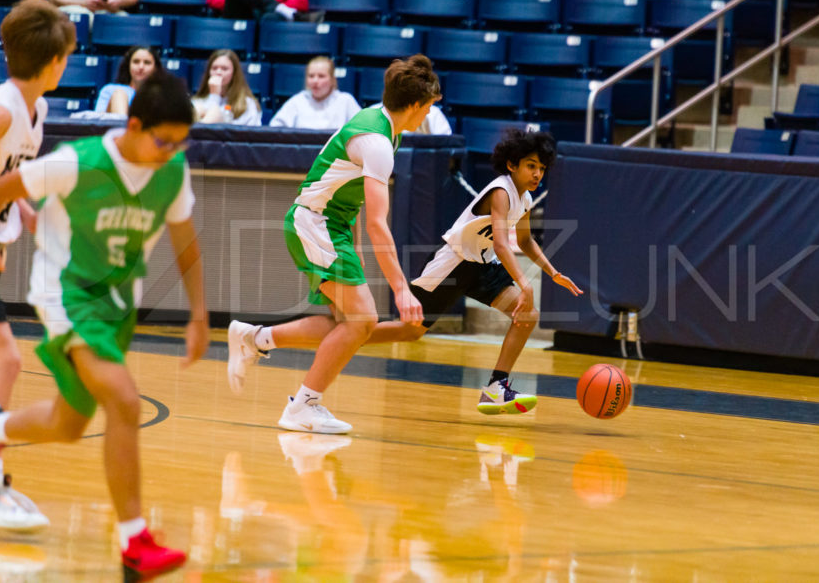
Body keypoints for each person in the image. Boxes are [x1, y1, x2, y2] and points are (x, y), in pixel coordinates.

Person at [0, 71, 207, 580]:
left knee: (67, 425)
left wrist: (199, 315)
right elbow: (2, 186)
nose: (172, 151)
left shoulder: (172, 172)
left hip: (116, 306)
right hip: (65, 293)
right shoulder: (78, 162)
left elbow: (185, 242)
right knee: (124, 401)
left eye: (181, 143)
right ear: (134, 125)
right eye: (164, 141)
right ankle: (135, 541)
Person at [229, 128, 582, 415]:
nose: (537, 174)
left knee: (526, 315)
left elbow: (525, 241)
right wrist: (525, 281)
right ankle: (286, 337)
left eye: (542, 169)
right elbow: (504, 244)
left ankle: (495, 387)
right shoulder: (502, 191)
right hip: (454, 265)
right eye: (531, 166)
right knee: (406, 332)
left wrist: (552, 273)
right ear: (512, 164)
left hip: (481, 266)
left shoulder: (525, 197)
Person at [227, 55, 441, 433]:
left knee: (346, 323)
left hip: (332, 223)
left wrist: (353, 249)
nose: (428, 113)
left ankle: (254, 338)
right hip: (315, 223)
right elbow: (378, 222)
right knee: (363, 320)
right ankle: (302, 406)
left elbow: (349, 194)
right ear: (413, 105)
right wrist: (401, 289)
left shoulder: (383, 121)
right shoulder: (376, 142)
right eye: (428, 106)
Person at [0, 0, 75, 533]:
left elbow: (6, 175)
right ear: (53, 63)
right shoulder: (0, 110)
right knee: (8, 358)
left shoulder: (35, 110)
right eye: (65, 56)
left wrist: (29, 213)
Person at [270, 56, 361, 130]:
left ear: (332, 80)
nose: (315, 81)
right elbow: (275, 128)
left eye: (321, 76)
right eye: (311, 76)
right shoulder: (298, 100)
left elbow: (362, 130)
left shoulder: (345, 100)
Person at [191, 49, 262, 126]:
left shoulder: (247, 104)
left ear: (234, 73)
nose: (218, 72)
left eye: (224, 69)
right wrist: (214, 96)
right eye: (214, 68)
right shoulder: (197, 102)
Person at [93, 45, 159, 115]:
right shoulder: (109, 90)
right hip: (115, 124)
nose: (141, 67)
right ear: (128, 65)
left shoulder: (161, 95)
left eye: (147, 62)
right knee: (119, 94)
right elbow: (99, 122)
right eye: (136, 62)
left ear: (155, 68)